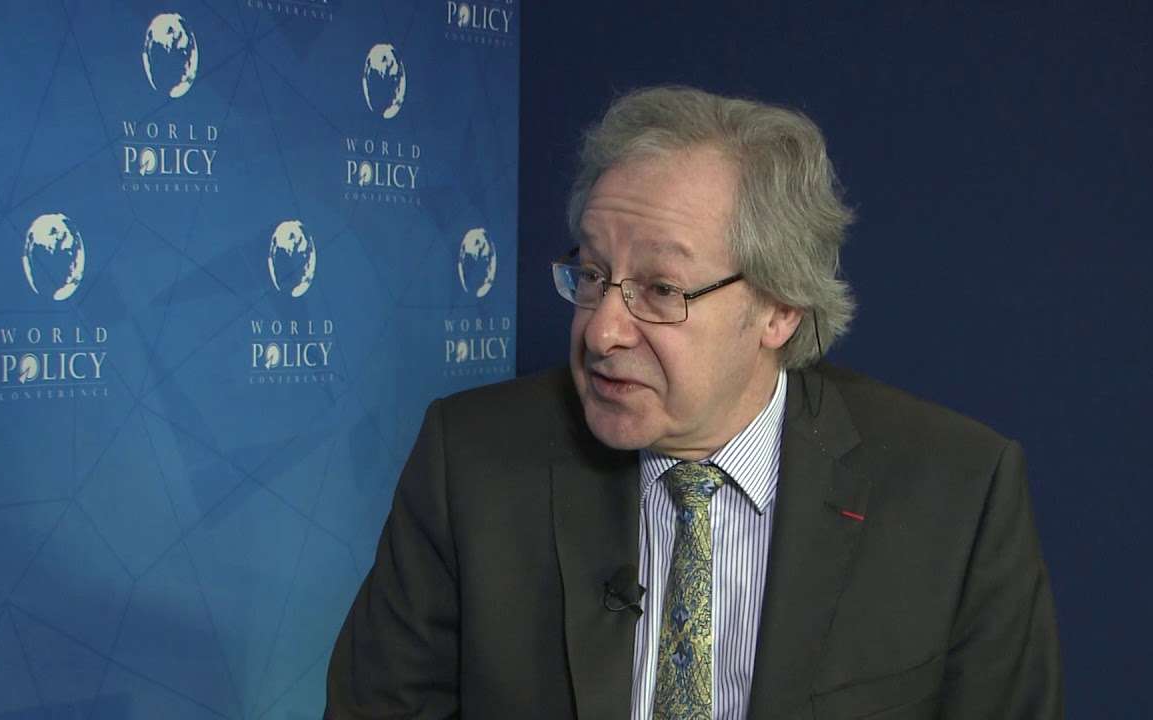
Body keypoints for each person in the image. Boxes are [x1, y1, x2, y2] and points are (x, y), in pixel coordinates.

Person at [325, 86, 1063, 719]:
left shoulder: (958, 493)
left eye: (660, 290)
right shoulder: (470, 461)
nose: (602, 331)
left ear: (780, 309)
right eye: (592, 275)